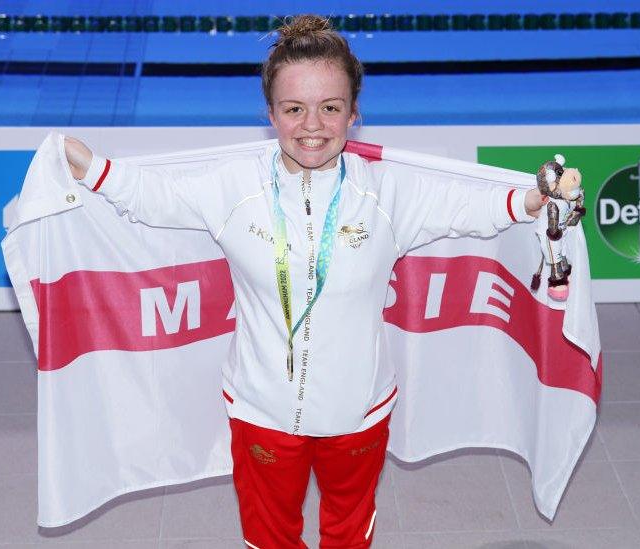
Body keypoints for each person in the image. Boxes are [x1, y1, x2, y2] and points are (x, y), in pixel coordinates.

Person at [64, 14, 548, 549]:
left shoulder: (387, 195)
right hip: (262, 410)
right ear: (270, 114)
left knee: (347, 536)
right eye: (294, 109)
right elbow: (148, 195)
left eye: (330, 108)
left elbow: (471, 207)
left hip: (358, 412)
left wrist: (533, 200)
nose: (312, 125)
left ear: (354, 114)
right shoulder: (233, 188)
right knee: (270, 540)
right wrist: (84, 163)